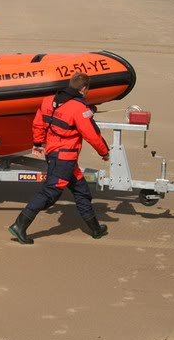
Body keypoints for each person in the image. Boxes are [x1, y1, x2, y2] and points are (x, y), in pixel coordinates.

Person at [8, 72, 110, 244]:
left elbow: (38, 123)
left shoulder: (49, 100)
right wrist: (104, 152)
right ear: (84, 89)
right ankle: (20, 225)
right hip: (65, 159)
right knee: (50, 192)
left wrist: (38, 142)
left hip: (56, 155)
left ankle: (95, 229)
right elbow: (92, 134)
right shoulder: (79, 108)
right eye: (88, 90)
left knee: (81, 191)